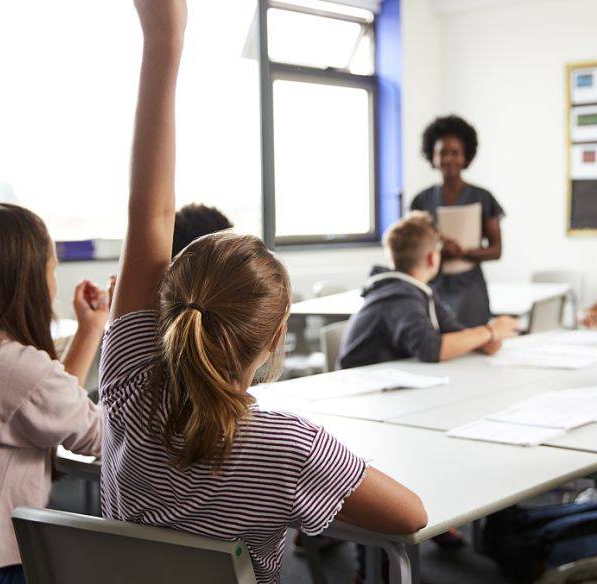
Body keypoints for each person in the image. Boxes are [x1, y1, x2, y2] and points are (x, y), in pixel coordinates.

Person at [99, 4, 426, 583]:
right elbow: (411, 514)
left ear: (168, 303)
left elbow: (147, 215)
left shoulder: (126, 385)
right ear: (278, 335)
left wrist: (163, 40)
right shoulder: (287, 448)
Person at [0, 202, 107, 584]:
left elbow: (45, 404)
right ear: (27, 279)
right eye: (52, 267)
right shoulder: (12, 365)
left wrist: (89, 329)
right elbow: (102, 438)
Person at [339, 211, 520, 369]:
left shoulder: (421, 292)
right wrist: (489, 332)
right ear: (433, 258)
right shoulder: (397, 296)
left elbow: (455, 333)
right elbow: (430, 349)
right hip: (363, 391)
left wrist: (483, 342)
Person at [410, 115, 504, 328]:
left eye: (455, 152)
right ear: (432, 157)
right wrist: (441, 251)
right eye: (442, 153)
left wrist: (465, 252)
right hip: (432, 286)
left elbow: (496, 250)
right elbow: (410, 252)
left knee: (472, 342)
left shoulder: (483, 197)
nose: (449, 159)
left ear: (466, 157)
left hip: (471, 289)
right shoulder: (421, 200)